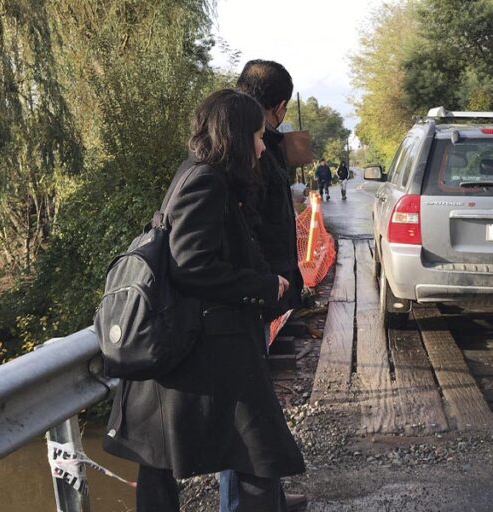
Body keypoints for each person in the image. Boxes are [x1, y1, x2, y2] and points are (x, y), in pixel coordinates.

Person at [102, 89, 305, 511]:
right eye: (256, 135)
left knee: (162, 461)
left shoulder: (200, 174)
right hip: (211, 346)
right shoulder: (206, 181)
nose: (262, 144)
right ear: (235, 135)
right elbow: (192, 265)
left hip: (199, 345)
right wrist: (265, 286)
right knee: (257, 455)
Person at [229, 59, 308, 512]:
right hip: (250, 294)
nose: (264, 144)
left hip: (258, 289)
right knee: (244, 413)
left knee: (256, 406)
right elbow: (248, 223)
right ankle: (243, 503)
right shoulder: (243, 147)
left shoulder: (249, 137)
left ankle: (268, 495)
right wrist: (264, 282)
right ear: (278, 106)